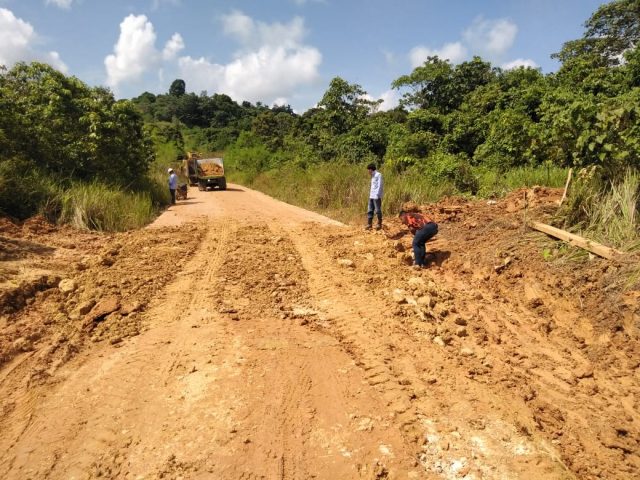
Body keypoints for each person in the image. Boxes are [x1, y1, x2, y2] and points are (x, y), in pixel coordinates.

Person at [366, 163, 383, 230]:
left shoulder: (378, 175)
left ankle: (379, 224)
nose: (368, 172)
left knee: (377, 210)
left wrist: (377, 195)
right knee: (370, 209)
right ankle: (369, 224)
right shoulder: (372, 176)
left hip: (376, 196)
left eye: (368, 170)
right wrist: (371, 195)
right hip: (371, 195)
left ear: (371, 169)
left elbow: (380, 185)